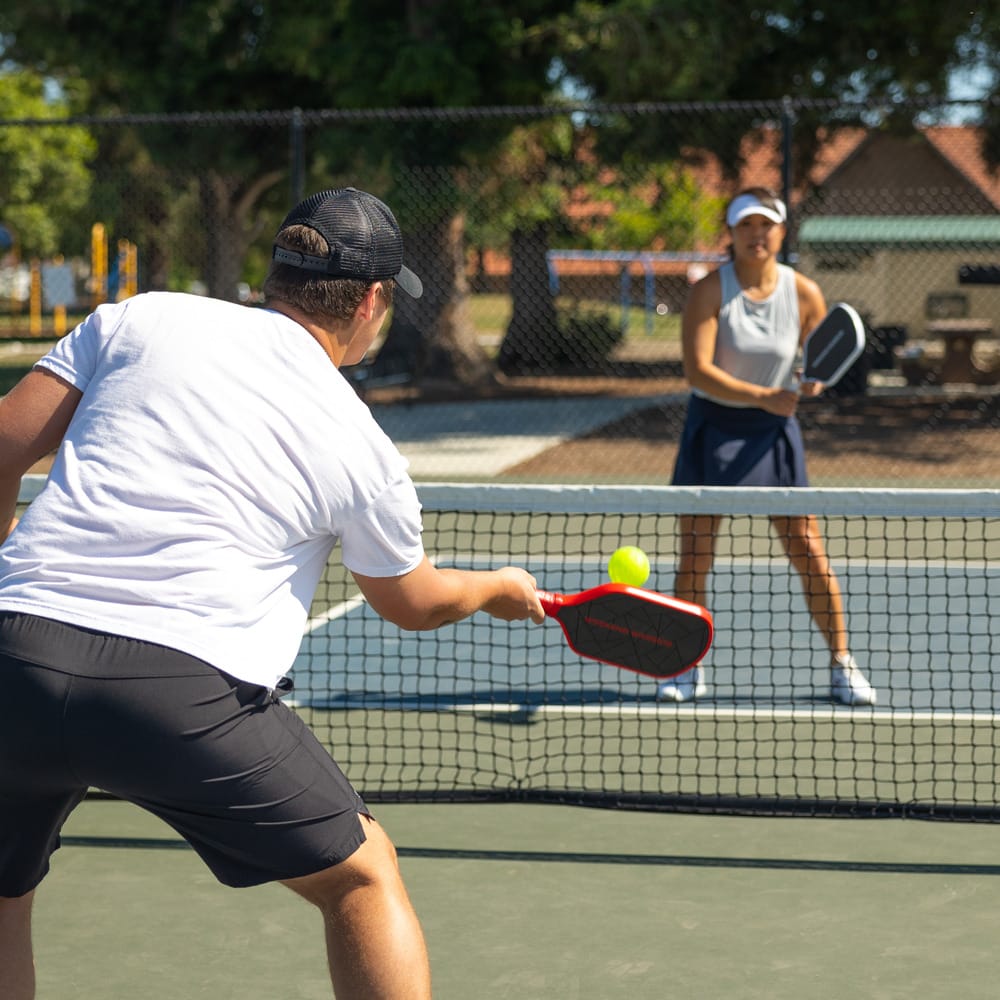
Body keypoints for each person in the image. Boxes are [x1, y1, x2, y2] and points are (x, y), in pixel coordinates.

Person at [0, 186, 546, 1000]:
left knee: (5, 894)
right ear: (370, 301)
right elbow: (412, 602)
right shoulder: (362, 447)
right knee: (363, 879)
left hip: (14, 655)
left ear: (277, 276)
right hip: (179, 695)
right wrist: (497, 586)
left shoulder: (139, 319)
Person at [656, 187, 876, 707]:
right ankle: (685, 666)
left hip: (774, 435)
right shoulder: (710, 291)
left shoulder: (804, 294)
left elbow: (817, 363)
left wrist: (810, 386)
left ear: (780, 232)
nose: (757, 234)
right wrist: (765, 396)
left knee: (808, 551)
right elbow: (698, 371)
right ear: (731, 234)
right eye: (746, 226)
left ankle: (842, 665)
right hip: (713, 428)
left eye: (767, 225)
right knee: (695, 556)